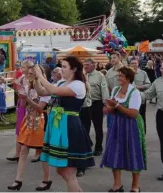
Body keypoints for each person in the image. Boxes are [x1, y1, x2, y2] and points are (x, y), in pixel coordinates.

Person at [34, 56, 95, 192]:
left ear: (74, 69)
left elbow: (53, 91)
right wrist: (37, 79)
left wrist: (41, 76)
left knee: (68, 172)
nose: (62, 69)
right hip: (59, 125)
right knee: (62, 170)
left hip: (69, 126)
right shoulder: (62, 83)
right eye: (61, 66)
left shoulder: (78, 84)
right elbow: (42, 92)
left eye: (64, 67)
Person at [100, 67, 146, 192]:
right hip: (117, 124)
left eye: (121, 76)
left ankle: (135, 186)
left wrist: (116, 105)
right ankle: (117, 185)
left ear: (128, 78)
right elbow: (111, 108)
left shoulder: (134, 92)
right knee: (115, 151)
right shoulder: (115, 89)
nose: (118, 78)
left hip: (132, 125)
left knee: (133, 153)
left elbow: (133, 114)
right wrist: (107, 108)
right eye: (118, 76)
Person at [8, 65, 52, 192]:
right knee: (23, 149)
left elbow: (40, 108)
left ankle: (46, 179)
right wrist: (21, 97)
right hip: (28, 120)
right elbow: (23, 105)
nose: (29, 77)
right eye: (29, 75)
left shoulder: (45, 89)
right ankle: (18, 180)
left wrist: (26, 98)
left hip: (41, 121)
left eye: (32, 75)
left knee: (43, 151)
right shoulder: (27, 87)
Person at [81, 58, 110, 157]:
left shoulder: (100, 76)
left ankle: (98, 148)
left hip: (96, 104)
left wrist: (105, 105)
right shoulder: (82, 75)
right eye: (84, 65)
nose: (85, 67)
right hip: (85, 105)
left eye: (87, 65)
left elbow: (104, 90)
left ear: (93, 65)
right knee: (84, 127)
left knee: (98, 128)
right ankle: (87, 144)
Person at [7, 60, 32, 162]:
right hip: (22, 105)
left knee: (30, 130)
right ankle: (18, 153)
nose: (22, 69)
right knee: (19, 130)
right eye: (22, 67)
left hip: (30, 106)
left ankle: (35, 152)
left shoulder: (32, 79)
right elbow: (18, 89)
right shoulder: (22, 78)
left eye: (24, 67)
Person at [129, 59, 151, 133]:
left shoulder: (143, 73)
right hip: (129, 100)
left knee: (141, 117)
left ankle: (142, 133)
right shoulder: (126, 73)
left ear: (138, 64)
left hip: (140, 99)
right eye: (132, 63)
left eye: (135, 63)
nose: (134, 64)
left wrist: (137, 87)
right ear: (129, 64)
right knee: (131, 117)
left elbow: (148, 84)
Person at [106, 52, 124, 128]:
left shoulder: (126, 70)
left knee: (122, 124)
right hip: (112, 100)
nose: (112, 59)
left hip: (123, 100)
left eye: (114, 57)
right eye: (111, 58)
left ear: (119, 58)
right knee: (111, 125)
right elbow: (107, 87)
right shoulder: (109, 72)